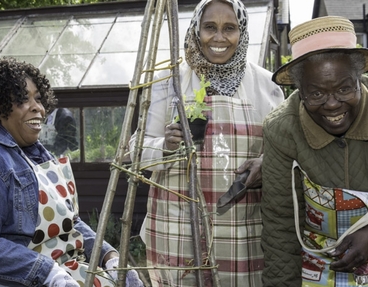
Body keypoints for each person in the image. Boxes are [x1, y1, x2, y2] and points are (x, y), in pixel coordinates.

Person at [0, 57, 143, 287]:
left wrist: (108, 257)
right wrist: (49, 273)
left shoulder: (38, 156)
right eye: (22, 99)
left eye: (38, 99)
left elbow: (70, 223)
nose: (38, 108)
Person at [128, 0, 284, 286]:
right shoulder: (168, 82)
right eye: (209, 27)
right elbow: (137, 150)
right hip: (178, 232)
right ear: (195, 29)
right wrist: (166, 145)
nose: (219, 38)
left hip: (242, 232)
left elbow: (284, 153)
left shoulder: (266, 86)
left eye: (230, 28)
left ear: (243, 31)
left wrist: (265, 164)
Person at [261, 16, 368, 286]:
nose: (333, 105)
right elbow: (280, 221)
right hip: (320, 266)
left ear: (360, 78)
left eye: (345, 88)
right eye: (317, 94)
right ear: (299, 90)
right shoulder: (282, 128)